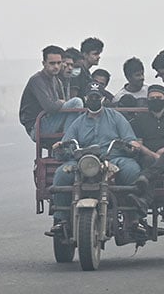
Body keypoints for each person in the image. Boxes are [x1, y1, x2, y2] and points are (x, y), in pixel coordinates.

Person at [49, 81, 145, 234]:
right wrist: (60, 146)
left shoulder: (116, 117)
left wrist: (131, 145)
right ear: (85, 98)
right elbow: (68, 143)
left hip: (113, 159)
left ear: (102, 99)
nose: (93, 100)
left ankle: (135, 219)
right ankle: (62, 220)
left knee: (132, 169)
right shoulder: (78, 122)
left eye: (97, 97)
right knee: (61, 173)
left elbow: (129, 138)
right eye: (91, 97)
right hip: (84, 161)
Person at [127, 85, 164, 207]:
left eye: (158, 97)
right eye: (152, 98)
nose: (155, 100)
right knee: (148, 160)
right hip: (149, 156)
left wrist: (162, 151)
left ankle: (145, 176)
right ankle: (145, 200)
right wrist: (153, 155)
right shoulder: (139, 119)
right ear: (147, 100)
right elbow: (139, 144)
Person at [19, 45, 83, 141]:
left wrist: (61, 102)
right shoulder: (37, 80)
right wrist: (61, 102)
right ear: (44, 63)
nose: (56, 66)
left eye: (58, 63)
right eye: (52, 63)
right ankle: (66, 143)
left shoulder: (57, 80)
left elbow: (63, 103)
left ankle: (69, 141)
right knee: (76, 102)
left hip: (50, 121)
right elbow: (50, 107)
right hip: (37, 127)